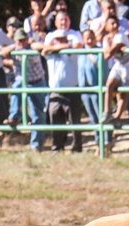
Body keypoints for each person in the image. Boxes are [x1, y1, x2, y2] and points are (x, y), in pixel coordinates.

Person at [3, 28, 48, 150]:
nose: (22, 43)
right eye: (19, 41)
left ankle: (37, 144)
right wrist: (13, 46)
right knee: (16, 86)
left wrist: (31, 44)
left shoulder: (32, 47)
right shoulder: (14, 49)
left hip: (37, 82)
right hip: (23, 82)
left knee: (38, 115)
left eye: (23, 40)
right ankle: (14, 116)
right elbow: (2, 52)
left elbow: (42, 46)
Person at [43, 23, 85, 152]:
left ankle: (77, 147)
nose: (60, 41)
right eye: (58, 39)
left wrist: (65, 46)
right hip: (55, 91)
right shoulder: (50, 53)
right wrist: (57, 47)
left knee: (74, 121)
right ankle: (57, 147)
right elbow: (44, 50)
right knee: (55, 120)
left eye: (63, 39)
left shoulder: (72, 52)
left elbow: (78, 46)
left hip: (71, 89)